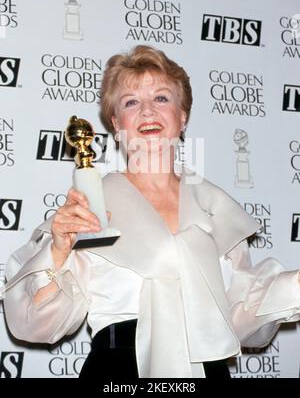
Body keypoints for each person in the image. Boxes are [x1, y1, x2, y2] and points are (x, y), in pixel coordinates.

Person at [2, 45, 300, 379]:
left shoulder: (213, 206)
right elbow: (34, 323)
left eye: (161, 98)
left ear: (182, 115)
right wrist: (58, 252)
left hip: (207, 369)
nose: (147, 111)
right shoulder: (92, 204)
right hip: (119, 371)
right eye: (131, 102)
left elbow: (242, 312)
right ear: (116, 123)